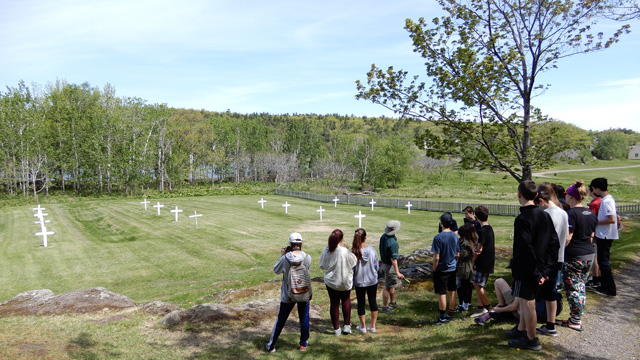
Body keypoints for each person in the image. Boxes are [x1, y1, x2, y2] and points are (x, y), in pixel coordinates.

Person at [507, 180, 559, 351]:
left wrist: (538, 272)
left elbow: (525, 249)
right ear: (537, 195)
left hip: (528, 269)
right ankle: (522, 330)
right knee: (522, 299)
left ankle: (531, 339)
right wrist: (547, 270)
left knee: (528, 303)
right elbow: (554, 244)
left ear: (519, 195)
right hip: (540, 268)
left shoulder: (522, 219)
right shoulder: (545, 215)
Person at [266, 232, 312, 352]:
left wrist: (282, 255)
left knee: (281, 320)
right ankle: (303, 344)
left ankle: (271, 345)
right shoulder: (307, 257)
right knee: (304, 319)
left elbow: (276, 270)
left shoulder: (285, 258)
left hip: (288, 294)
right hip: (303, 292)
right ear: (301, 244)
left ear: (290, 244)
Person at [562, 180, 598, 331]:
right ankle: (576, 317)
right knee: (581, 286)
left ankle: (575, 321)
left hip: (574, 256)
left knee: (572, 289)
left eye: (567, 196)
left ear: (571, 197)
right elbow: (592, 235)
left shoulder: (571, 214)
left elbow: (568, 238)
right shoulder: (590, 213)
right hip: (589, 254)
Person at [535, 182, 568, 337]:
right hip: (560, 257)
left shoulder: (547, 214)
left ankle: (526, 324)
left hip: (546, 260)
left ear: (541, 200)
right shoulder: (562, 212)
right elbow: (566, 238)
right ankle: (550, 324)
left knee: (535, 292)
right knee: (551, 293)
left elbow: (544, 241)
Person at [319, 229, 358, 336]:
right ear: (341, 239)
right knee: (346, 300)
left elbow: (322, 265)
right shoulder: (344, 251)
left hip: (332, 281)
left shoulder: (326, 250)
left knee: (334, 303)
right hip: (344, 281)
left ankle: (336, 329)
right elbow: (353, 262)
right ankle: (346, 326)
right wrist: (347, 250)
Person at [589, 177, 618, 297]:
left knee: (604, 262)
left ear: (597, 188)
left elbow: (611, 219)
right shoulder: (607, 199)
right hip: (604, 234)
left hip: (605, 235)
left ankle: (610, 288)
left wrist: (595, 222)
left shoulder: (606, 201)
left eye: (594, 188)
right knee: (602, 261)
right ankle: (604, 285)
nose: (593, 191)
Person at [431, 212, 460, 324]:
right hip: (452, 268)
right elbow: (458, 254)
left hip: (442, 269)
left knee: (442, 293)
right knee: (452, 291)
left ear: (441, 223)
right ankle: (450, 313)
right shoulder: (455, 236)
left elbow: (436, 257)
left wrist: (434, 268)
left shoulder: (438, 237)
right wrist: (454, 263)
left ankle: (442, 317)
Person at [351, 228, 379, 334]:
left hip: (359, 281)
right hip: (372, 280)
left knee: (361, 303)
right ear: (366, 237)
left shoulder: (354, 251)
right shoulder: (372, 250)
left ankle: (363, 327)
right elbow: (376, 265)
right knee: (373, 302)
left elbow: (352, 268)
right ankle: (372, 326)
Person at [470, 205, 495, 318]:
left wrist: (473, 260)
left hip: (483, 261)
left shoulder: (482, 230)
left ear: (477, 217)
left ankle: (488, 307)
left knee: (478, 284)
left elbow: (479, 249)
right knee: (477, 283)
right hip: (488, 260)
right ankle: (481, 307)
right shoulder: (489, 228)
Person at [379, 220, 405, 313]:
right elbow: (393, 259)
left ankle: (392, 303)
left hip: (384, 263)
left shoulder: (383, 237)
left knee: (392, 285)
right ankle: (385, 307)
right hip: (389, 266)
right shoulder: (393, 243)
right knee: (387, 286)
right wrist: (397, 272)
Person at [455, 222, 476, 312]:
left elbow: (462, 255)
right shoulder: (470, 242)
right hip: (467, 267)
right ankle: (465, 303)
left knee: (463, 286)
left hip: (464, 268)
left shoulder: (466, 244)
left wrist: (457, 250)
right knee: (466, 285)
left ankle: (464, 304)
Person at [586, 186, 602, 288]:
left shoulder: (594, 203)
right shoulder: (602, 201)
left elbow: (591, 219)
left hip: (595, 232)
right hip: (602, 233)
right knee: (599, 256)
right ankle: (599, 276)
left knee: (594, 256)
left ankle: (595, 278)